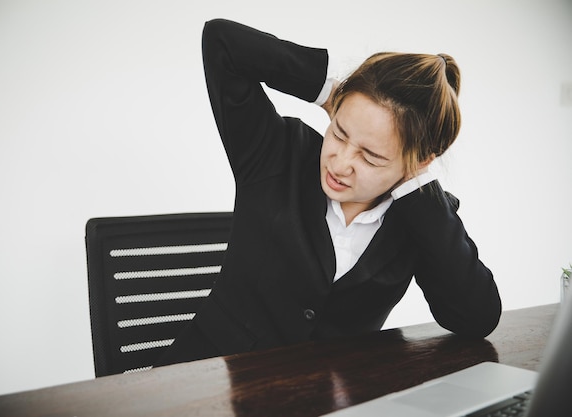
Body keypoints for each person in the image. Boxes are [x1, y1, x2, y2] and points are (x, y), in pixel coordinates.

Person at [156, 18, 501, 367]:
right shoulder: (277, 152)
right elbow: (222, 41)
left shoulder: (420, 218)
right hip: (206, 383)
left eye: (371, 156)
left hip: (322, 401)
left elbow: (476, 319)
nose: (341, 162)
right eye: (339, 133)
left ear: (418, 162)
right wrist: (328, 87)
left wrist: (417, 186)